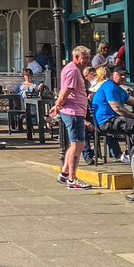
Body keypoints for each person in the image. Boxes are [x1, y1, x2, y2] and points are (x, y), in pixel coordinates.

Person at [50, 45, 93, 190]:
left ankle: (64, 174)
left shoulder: (72, 69)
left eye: (88, 57)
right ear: (76, 58)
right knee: (78, 145)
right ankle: (72, 179)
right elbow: (65, 92)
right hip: (73, 112)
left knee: (74, 144)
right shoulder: (73, 71)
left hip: (75, 111)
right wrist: (57, 105)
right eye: (85, 58)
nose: (88, 61)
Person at [93, 69, 134, 161]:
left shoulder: (119, 88)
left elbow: (132, 100)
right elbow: (117, 108)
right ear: (112, 75)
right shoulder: (109, 86)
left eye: (125, 75)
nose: (123, 77)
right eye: (120, 74)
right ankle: (131, 154)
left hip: (114, 119)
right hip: (106, 121)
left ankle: (131, 153)